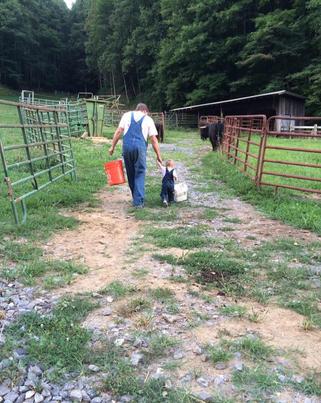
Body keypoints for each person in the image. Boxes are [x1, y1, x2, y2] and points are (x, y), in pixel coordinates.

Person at [109, 103, 162, 207]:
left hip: (127, 148)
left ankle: (135, 198)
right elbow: (153, 139)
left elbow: (119, 131)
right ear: (145, 111)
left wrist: (112, 146)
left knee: (131, 173)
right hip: (139, 149)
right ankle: (138, 202)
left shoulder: (127, 115)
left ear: (136, 109)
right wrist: (158, 155)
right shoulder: (148, 119)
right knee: (140, 173)